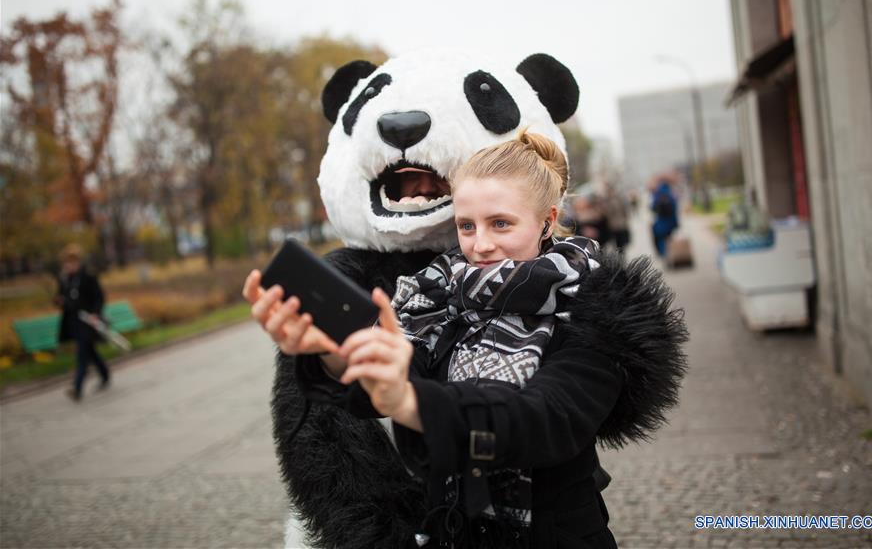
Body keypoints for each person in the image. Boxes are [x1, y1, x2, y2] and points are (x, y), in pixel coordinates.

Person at [246, 131, 626, 547]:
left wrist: (412, 403)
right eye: (466, 225)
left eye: (501, 223)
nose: (480, 244)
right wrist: (332, 354)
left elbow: (544, 420)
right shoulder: (440, 295)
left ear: (547, 221)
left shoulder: (593, 304)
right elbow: (394, 375)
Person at [55, 243, 110, 401]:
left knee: (82, 353)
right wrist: (59, 301)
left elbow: (99, 297)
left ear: (79, 262)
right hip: (73, 322)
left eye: (73, 262)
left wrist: (95, 313)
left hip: (87, 321)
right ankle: (105, 374)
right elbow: (61, 297)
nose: (70, 265)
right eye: (67, 262)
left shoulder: (87, 276)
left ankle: (77, 388)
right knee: (90, 352)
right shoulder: (65, 279)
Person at [650, 180, 679, 257]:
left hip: (661, 222)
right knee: (669, 238)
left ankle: (664, 253)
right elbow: (675, 208)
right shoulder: (671, 195)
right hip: (670, 223)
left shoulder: (657, 195)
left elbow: (653, 208)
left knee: (661, 239)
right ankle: (670, 253)